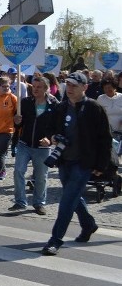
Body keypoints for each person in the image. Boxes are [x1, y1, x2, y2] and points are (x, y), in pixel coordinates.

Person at [41, 72, 111, 256]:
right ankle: (88, 224)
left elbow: (105, 139)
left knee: (66, 201)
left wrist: (101, 165)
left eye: (74, 85)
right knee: (72, 197)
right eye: (68, 85)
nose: (70, 88)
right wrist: (53, 137)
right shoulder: (61, 107)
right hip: (65, 160)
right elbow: (50, 129)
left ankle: (55, 239)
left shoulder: (94, 108)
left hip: (84, 162)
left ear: (84, 87)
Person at [11, 75, 58, 214]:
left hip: (42, 147)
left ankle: (39, 203)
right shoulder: (25, 102)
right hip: (24, 144)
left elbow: (57, 126)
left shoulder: (54, 105)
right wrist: (17, 121)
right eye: (34, 86)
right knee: (18, 171)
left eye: (39, 87)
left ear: (46, 89)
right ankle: (20, 201)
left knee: (41, 176)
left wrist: (50, 139)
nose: (35, 89)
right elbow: (17, 124)